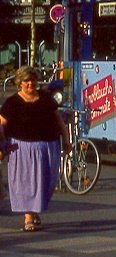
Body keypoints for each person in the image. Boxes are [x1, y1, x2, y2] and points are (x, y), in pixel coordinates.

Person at [0, 66, 68, 232]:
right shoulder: (12, 102)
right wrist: (1, 145)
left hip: (47, 146)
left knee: (46, 183)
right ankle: (28, 215)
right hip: (21, 148)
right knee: (26, 184)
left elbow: (58, 120)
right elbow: (1, 125)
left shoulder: (45, 99)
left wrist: (66, 140)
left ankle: (35, 210)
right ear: (20, 83)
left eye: (33, 80)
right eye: (26, 81)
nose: (30, 84)